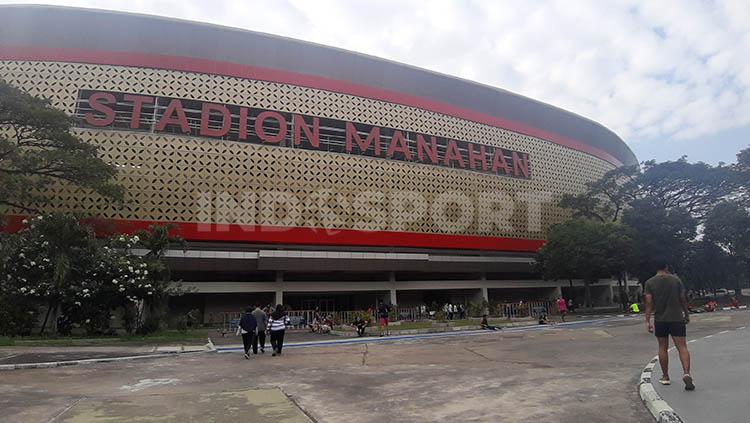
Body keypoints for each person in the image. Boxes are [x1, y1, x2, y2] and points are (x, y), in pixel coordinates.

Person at [645, 262, 694, 391]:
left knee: (662, 347)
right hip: (677, 318)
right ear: (666, 266)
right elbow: (682, 298)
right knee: (682, 347)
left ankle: (666, 377)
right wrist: (686, 313)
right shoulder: (676, 280)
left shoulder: (649, 283)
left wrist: (647, 320)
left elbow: (649, 302)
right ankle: (686, 373)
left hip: (660, 319)